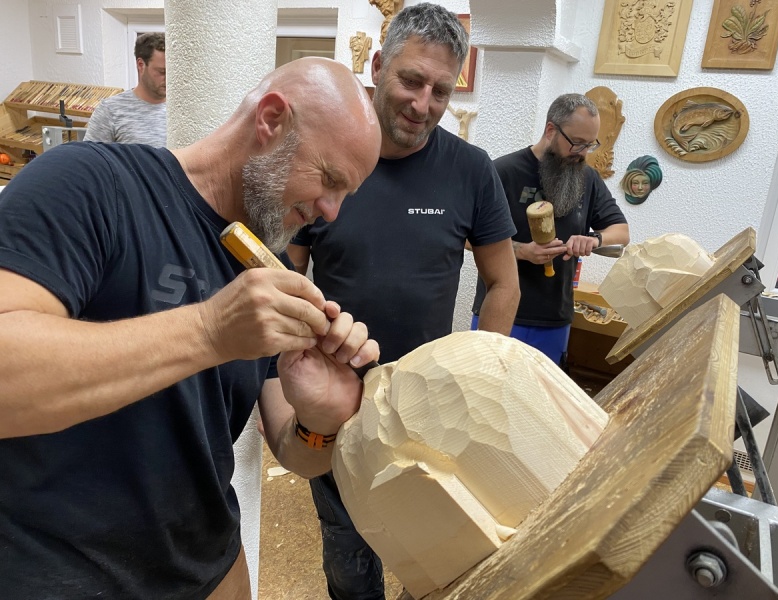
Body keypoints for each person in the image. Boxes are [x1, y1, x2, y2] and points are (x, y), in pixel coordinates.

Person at [0, 57, 383, 599]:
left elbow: (295, 452)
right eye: (330, 180)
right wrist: (209, 330)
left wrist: (320, 417)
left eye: (346, 194)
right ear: (271, 119)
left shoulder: (271, 270)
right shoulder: (89, 182)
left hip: (209, 572)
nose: (332, 211)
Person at [287, 4, 519, 599]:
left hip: (432, 407)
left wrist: (481, 377)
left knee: (444, 553)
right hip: (338, 404)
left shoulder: (471, 170)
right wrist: (285, 385)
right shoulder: (325, 156)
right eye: (411, 81)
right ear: (376, 66)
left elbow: (503, 282)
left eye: (441, 90)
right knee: (349, 554)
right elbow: (284, 275)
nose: (423, 104)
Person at [472, 93, 630, 366]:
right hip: (500, 312)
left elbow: (621, 232)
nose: (582, 153)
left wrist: (593, 239)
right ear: (550, 130)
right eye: (577, 143)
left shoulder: (587, 178)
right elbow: (467, 237)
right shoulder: (503, 172)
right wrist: (522, 251)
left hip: (555, 319)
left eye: (590, 144)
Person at [84, 32, 167, 146]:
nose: (169, 78)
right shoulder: (110, 110)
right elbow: (92, 155)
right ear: (141, 65)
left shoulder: (185, 109)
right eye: (162, 72)